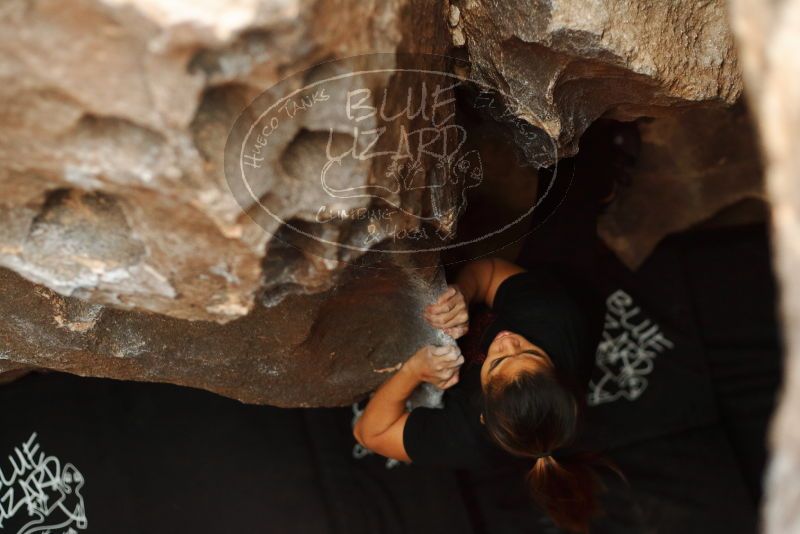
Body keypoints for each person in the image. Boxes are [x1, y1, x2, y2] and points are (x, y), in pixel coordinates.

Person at [353, 256, 608, 533]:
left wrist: (414, 371)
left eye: (497, 362)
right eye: (530, 351)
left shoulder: (471, 438)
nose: (508, 340)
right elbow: (490, 271)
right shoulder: (553, 317)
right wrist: (464, 292)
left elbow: (370, 433)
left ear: (483, 413)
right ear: (555, 369)